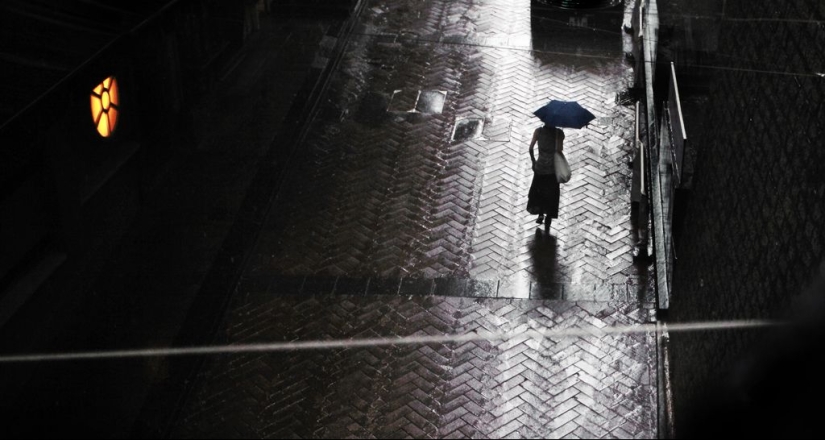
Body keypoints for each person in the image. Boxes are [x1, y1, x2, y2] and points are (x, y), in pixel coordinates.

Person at [527, 124, 564, 233]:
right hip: (553, 169)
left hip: (540, 167)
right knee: (551, 192)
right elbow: (559, 150)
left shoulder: (538, 131)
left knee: (539, 191)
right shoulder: (559, 133)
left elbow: (530, 148)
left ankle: (540, 214)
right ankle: (549, 215)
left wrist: (533, 161)